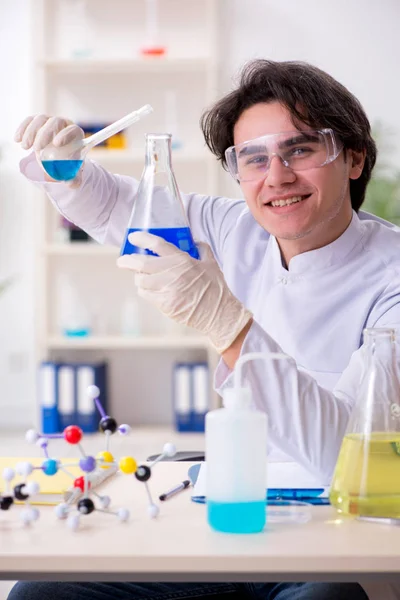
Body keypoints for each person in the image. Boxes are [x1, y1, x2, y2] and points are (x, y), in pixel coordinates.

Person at [9, 58, 400, 600]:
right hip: (227, 511)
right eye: (253, 158)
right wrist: (68, 169)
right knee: (39, 593)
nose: (277, 176)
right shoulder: (233, 226)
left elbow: (348, 457)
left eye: (301, 149)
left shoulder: (394, 279)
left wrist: (231, 328)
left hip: (328, 534)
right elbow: (127, 209)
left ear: (353, 158)